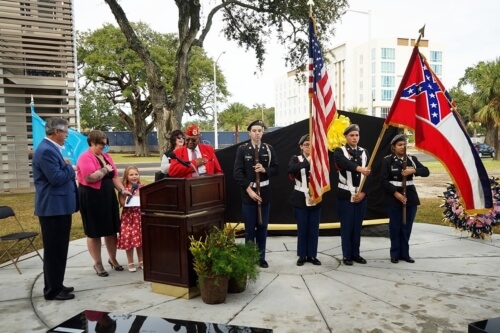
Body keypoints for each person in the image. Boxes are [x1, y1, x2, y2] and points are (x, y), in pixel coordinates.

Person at [32, 117, 78, 301]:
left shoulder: (51, 149)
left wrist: (65, 166)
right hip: (52, 209)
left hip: (59, 207)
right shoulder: (45, 151)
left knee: (59, 250)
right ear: (57, 132)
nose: (66, 136)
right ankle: (52, 290)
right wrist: (69, 168)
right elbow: (57, 178)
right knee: (54, 251)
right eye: (65, 132)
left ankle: (57, 284)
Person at [76, 130, 131, 277]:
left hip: (108, 196)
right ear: (92, 142)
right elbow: (90, 178)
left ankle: (112, 259)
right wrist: (104, 169)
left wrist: (122, 189)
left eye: (105, 144)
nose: (104, 146)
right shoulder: (85, 157)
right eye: (101, 144)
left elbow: (114, 176)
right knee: (94, 232)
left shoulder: (106, 156)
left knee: (111, 230)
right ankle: (98, 263)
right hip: (91, 197)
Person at [233, 120, 279, 268]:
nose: (257, 133)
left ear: (263, 132)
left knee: (262, 226)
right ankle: (248, 257)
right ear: (249, 133)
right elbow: (237, 172)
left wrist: (265, 170)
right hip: (248, 193)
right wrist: (249, 190)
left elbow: (276, 169)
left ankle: (261, 257)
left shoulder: (268, 149)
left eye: (260, 130)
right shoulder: (243, 149)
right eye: (254, 131)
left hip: (264, 192)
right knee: (249, 228)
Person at [381, 134, 429, 263]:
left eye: (404, 144)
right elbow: (383, 181)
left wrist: (413, 171)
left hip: (410, 198)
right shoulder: (388, 160)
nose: (403, 147)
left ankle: (405, 253)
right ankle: (395, 253)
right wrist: (396, 194)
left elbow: (426, 171)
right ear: (393, 147)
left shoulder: (411, 159)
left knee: (407, 226)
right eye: (400, 145)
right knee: (395, 226)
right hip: (393, 198)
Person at [333, 124, 371, 266]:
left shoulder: (364, 152)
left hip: (361, 195)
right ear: (346, 137)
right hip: (345, 195)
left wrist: (364, 192)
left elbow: (369, 175)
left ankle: (356, 254)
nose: (355, 138)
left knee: (357, 226)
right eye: (351, 135)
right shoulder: (339, 151)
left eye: (356, 135)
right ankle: (347, 255)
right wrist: (360, 168)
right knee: (347, 226)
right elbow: (344, 163)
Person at [288, 134, 322, 266]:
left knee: (313, 228)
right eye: (306, 144)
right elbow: (290, 170)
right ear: (301, 146)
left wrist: (317, 194)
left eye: (310, 144)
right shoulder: (296, 159)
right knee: (302, 228)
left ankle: (312, 255)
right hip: (300, 196)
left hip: (315, 197)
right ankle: (302, 255)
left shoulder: (319, 160)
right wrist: (306, 161)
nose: (308, 146)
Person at [117, 166, 144, 272]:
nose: (134, 177)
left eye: (136, 174)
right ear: (126, 176)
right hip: (128, 217)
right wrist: (131, 195)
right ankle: (130, 261)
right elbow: (123, 203)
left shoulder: (142, 187)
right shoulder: (123, 189)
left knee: (139, 239)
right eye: (131, 175)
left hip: (139, 216)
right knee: (129, 239)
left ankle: (141, 260)